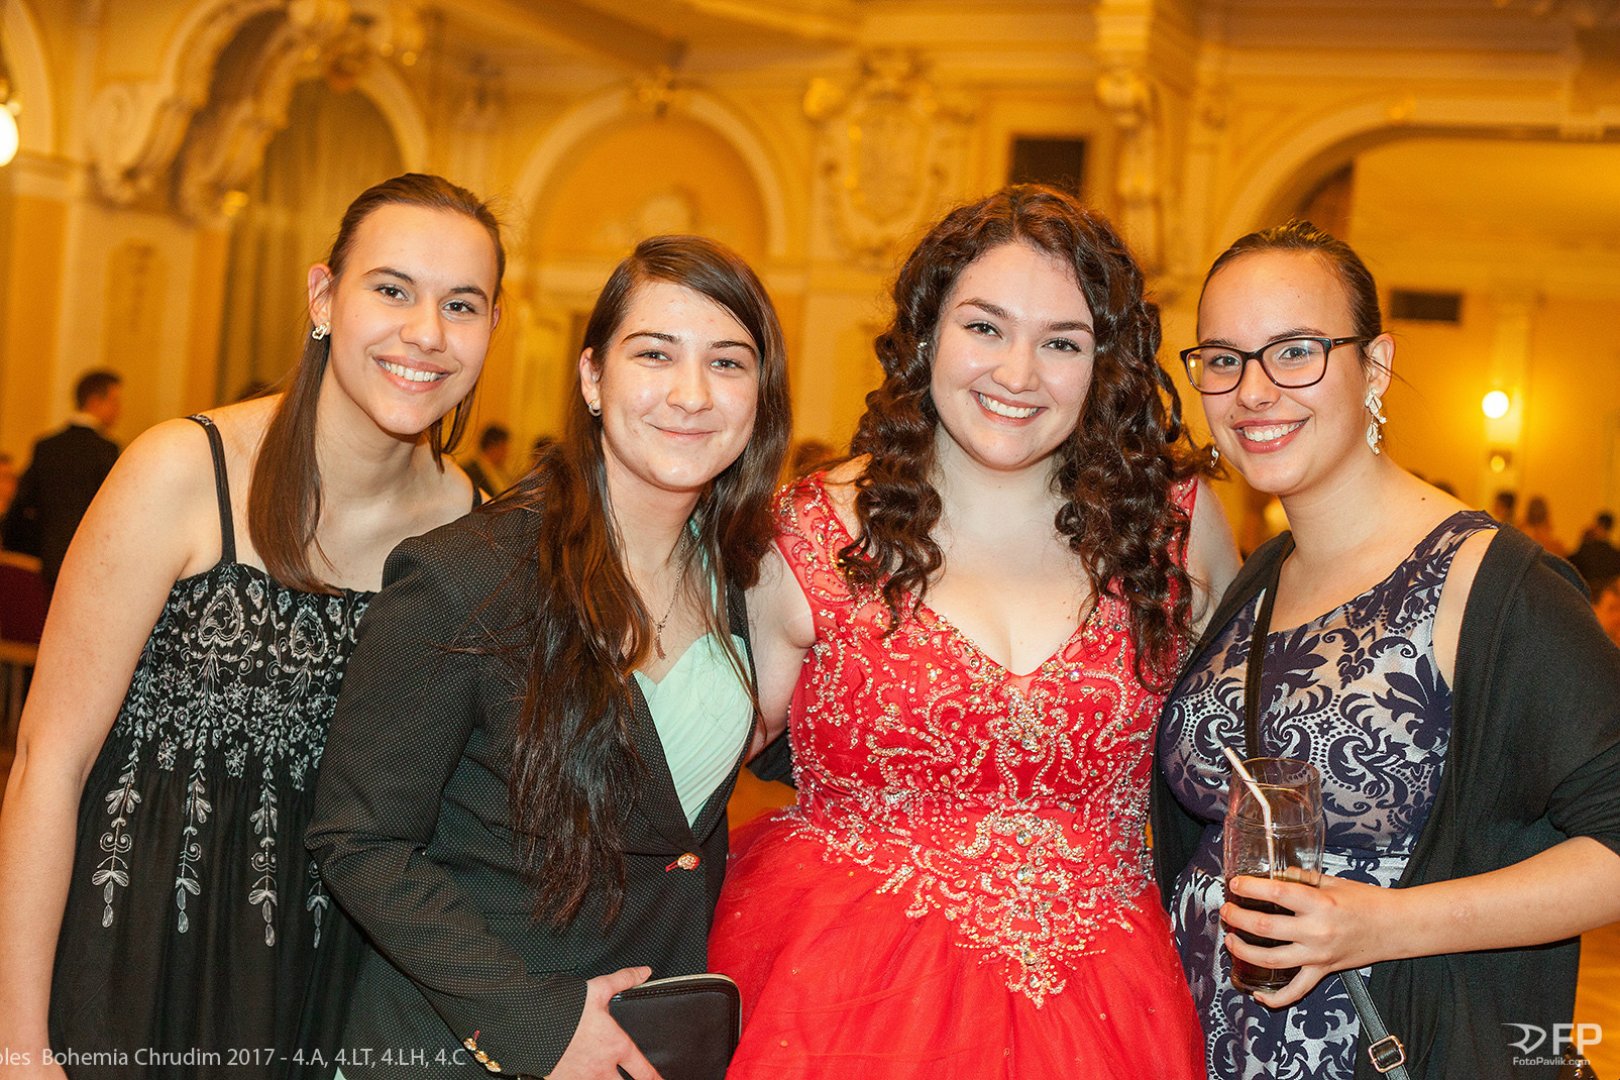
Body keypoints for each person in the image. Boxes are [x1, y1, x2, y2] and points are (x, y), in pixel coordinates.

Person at [708, 184, 1239, 1079]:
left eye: (1062, 342)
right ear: (927, 334)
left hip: (1109, 1012)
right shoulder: (807, 533)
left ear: (1105, 364)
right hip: (840, 1004)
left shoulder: (1174, 530)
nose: (1018, 374)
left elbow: (1247, 744)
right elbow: (687, 777)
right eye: (985, 327)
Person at [0, 173, 504, 1080]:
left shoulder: (476, 531)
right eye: (392, 289)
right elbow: (48, 761)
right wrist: (18, 1046)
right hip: (134, 953)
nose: (427, 332)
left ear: (492, 328)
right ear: (324, 297)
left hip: (337, 987)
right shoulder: (181, 471)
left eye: (461, 304)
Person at [306, 234, 791, 1080]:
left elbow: (825, 752)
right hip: (465, 1045)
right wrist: (536, 1022)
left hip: (654, 1038)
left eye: (727, 362)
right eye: (655, 354)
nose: (691, 393)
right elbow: (361, 840)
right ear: (593, 377)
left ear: (761, 395)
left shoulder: (755, 581)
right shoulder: (468, 576)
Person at [1153, 220, 1620, 1080]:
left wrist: (1382, 925)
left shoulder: (1487, 584)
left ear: (1374, 366)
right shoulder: (1261, 576)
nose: (1253, 390)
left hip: (1389, 1049)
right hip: (1203, 1046)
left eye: (1295, 352)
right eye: (1222, 358)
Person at [2, 370, 123, 594]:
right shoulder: (105, 450)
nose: (120, 410)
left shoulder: (46, 446)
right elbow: (113, 509)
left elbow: (23, 500)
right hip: (88, 557)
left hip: (48, 557)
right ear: (95, 401)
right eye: (115, 401)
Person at [1571, 511, 1620, 587]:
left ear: (1598, 525)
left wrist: (1583, 541)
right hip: (1607, 593)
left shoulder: (1586, 551)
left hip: (1587, 591)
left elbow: (1572, 566)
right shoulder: (1616, 555)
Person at [462, 421, 512, 496]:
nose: (506, 454)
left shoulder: (500, 472)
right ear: (492, 447)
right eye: (503, 449)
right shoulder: (470, 471)